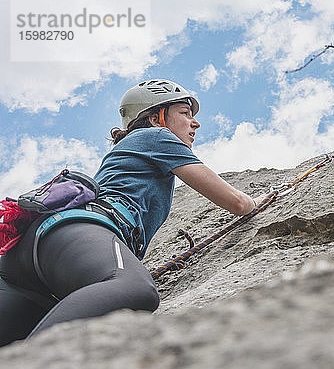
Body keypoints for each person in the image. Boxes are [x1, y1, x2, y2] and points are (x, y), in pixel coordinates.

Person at [0, 79, 264, 347]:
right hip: (75, 233)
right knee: (135, 289)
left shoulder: (131, 150)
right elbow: (238, 203)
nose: (195, 123)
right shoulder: (158, 136)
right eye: (185, 113)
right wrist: (261, 200)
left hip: (28, 258)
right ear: (155, 117)